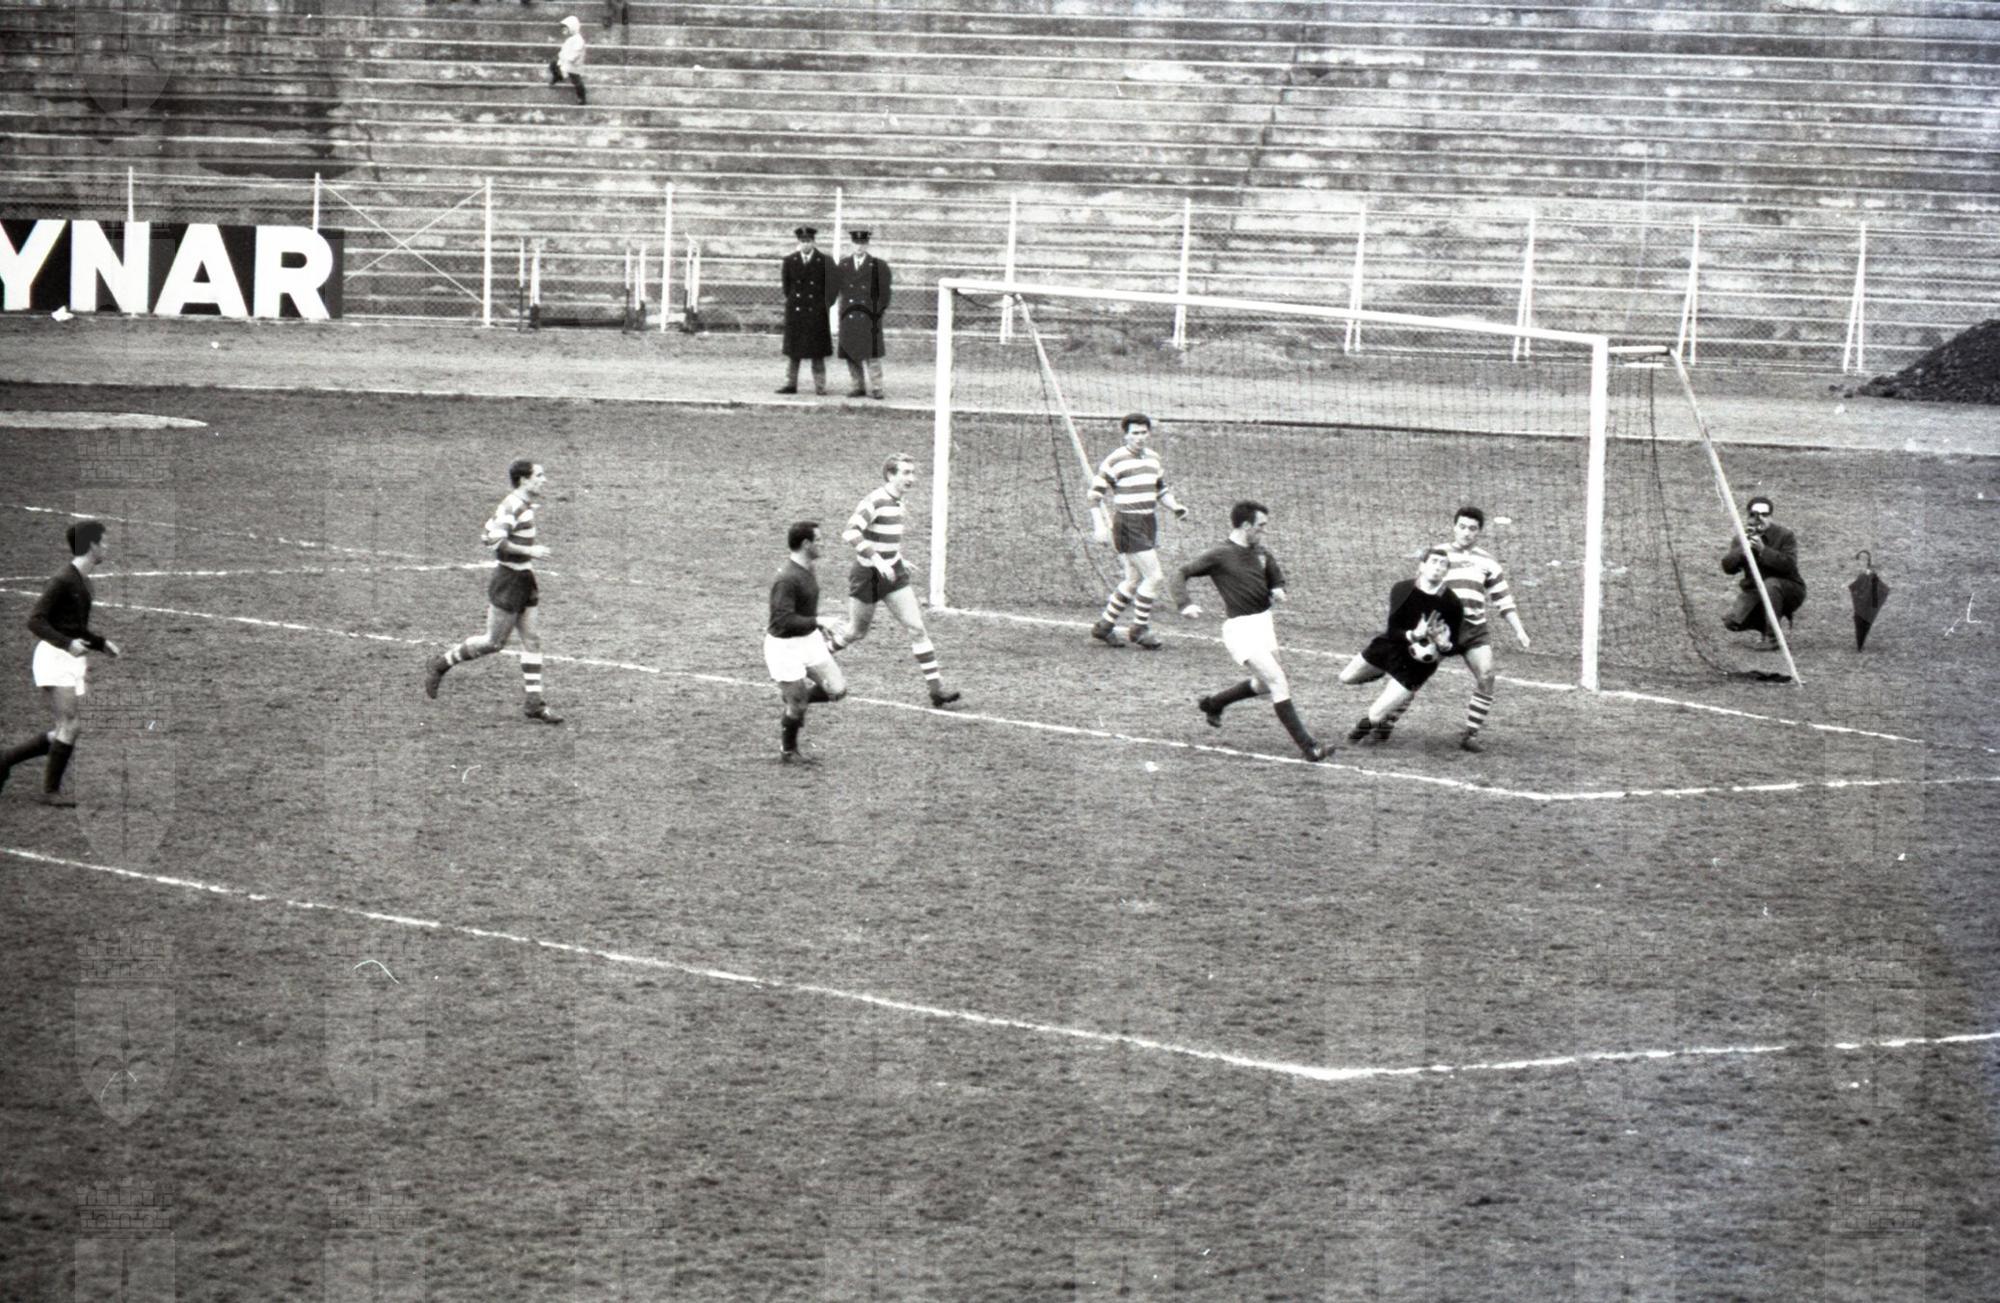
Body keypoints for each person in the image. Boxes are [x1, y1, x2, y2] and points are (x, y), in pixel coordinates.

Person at [1172, 501, 1333, 763]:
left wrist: (1278, 589)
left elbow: (1275, 578)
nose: (1264, 531)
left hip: (1264, 625)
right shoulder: (1220, 554)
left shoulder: (1262, 552)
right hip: (1241, 630)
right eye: (1261, 526)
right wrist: (1184, 604)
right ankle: (1310, 747)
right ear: (1246, 525)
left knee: (1263, 684)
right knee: (1278, 682)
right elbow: (1180, 573)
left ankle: (1214, 704)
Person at [425, 460, 564, 724]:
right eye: (539, 475)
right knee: (493, 643)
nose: (544, 480)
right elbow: (496, 540)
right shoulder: (513, 506)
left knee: (532, 641)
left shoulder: (521, 505)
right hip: (509, 580)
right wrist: (530, 550)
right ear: (524, 480)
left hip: (525, 578)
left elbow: (487, 532)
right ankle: (441, 664)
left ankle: (534, 703)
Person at [1, 520, 121, 806]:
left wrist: (101, 643)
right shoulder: (63, 580)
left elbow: (74, 626)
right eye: (104, 542)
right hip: (55, 657)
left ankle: (5, 760)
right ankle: (50, 791)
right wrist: (66, 644)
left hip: (69, 658)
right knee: (70, 724)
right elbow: (35, 620)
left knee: (66, 728)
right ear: (92, 546)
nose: (107, 547)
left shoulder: (83, 581)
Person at [829, 453, 960, 708]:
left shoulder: (898, 503)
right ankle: (819, 656)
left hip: (893, 574)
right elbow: (850, 531)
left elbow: (882, 537)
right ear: (890, 475)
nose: (912, 478)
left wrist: (897, 558)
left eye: (913, 472)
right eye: (906, 473)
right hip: (868, 576)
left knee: (917, 628)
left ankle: (936, 691)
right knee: (856, 631)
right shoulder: (875, 500)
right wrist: (878, 560)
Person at [1339, 546, 1466, 746]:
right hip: (1389, 647)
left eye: (1443, 564)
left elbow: (1456, 645)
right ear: (1422, 566)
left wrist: (1444, 645)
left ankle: (1354, 737)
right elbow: (1392, 630)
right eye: (1433, 562)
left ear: (1446, 571)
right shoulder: (1402, 589)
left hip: (1417, 666)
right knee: (1346, 677)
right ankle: (1384, 673)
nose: (1438, 567)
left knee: (1376, 714)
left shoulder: (1452, 603)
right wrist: (1414, 635)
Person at [1087, 412, 1189, 651]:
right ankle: (1139, 629)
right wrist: (1099, 526)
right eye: (1135, 433)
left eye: (1144, 432)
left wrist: (1176, 507)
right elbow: (1094, 496)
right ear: (1126, 435)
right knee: (1154, 577)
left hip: (1147, 522)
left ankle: (1104, 626)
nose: (1140, 437)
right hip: (1128, 524)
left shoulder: (1153, 459)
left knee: (1133, 579)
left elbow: (1160, 490)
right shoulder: (1115, 460)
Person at [1442, 506, 1530, 753]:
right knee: (1413, 677)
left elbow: (1503, 600)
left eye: (1472, 528)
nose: (1466, 532)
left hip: (1474, 631)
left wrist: (1519, 630)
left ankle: (1470, 734)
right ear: (1454, 527)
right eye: (1462, 527)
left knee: (1487, 674)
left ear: (1479, 532)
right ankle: (1386, 721)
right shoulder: (1439, 555)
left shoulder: (1488, 562)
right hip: (1441, 629)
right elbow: (1420, 590)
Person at [766, 521, 849, 762]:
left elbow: (803, 609)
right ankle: (788, 750)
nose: (823, 544)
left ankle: (794, 699)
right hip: (784, 647)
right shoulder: (786, 579)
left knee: (837, 689)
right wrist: (819, 620)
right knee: (798, 707)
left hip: (809, 640)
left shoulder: (808, 568)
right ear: (806, 544)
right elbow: (782, 620)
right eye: (818, 540)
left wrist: (817, 627)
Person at [1721, 495, 1805, 650]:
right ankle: (1765, 627)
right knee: (1731, 621)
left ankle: (1773, 638)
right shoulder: (1741, 538)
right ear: (1748, 516)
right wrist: (1742, 550)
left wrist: (1763, 550)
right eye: (1754, 514)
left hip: (1788, 589)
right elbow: (1728, 568)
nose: (1759, 519)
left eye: (1764, 515)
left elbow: (1788, 565)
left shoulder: (1785, 535)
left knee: (1771, 584)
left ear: (1771, 517)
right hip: (1757, 591)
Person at [777, 226, 833, 396]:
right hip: (797, 312)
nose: (805, 244)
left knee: (817, 353)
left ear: (814, 242)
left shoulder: (824, 261)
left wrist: (821, 306)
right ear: (798, 243)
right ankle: (790, 384)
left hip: (816, 312)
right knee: (794, 352)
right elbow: (787, 287)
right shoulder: (790, 261)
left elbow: (830, 288)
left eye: (808, 241)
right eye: (802, 241)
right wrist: (795, 302)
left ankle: (820, 386)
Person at [835, 229, 890, 399]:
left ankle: (877, 387)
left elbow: (885, 294)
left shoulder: (878, 266)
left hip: (869, 316)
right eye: (856, 243)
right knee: (851, 352)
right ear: (851, 244)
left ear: (867, 245)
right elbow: (837, 289)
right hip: (849, 315)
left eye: (862, 243)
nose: (859, 246)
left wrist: (877, 312)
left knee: (871, 354)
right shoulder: (843, 265)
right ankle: (857, 386)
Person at [547, 16, 587, 105]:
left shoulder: (579, 40)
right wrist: (562, 56)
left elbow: (576, 52)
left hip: (573, 64)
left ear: (572, 28)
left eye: (565, 29)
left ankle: (581, 98)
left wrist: (569, 58)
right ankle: (558, 76)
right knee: (553, 64)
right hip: (565, 61)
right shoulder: (570, 39)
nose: (563, 31)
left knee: (576, 80)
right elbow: (565, 49)